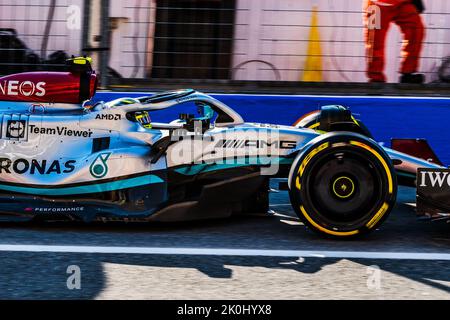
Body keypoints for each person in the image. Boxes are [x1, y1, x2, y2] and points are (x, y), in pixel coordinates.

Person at [364, 0, 425, 83]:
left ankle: (408, 73)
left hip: (402, 3)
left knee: (416, 30)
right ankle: (376, 79)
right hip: (376, 4)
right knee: (374, 40)